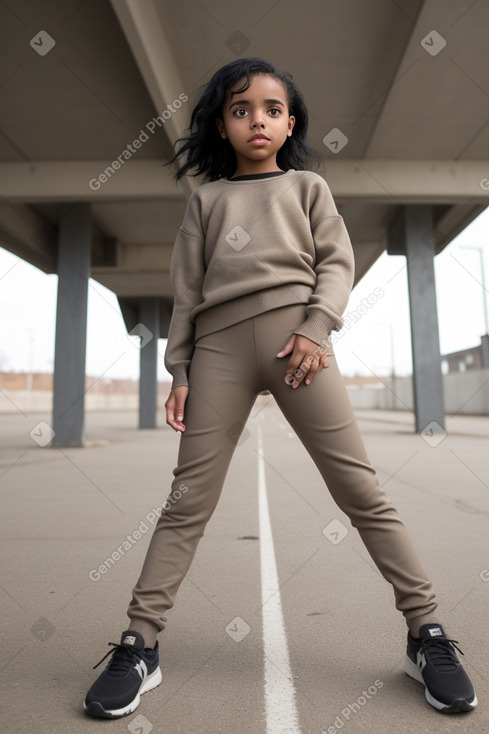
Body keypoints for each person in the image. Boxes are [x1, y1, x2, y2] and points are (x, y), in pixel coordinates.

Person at [83, 57, 477, 719]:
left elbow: (335, 263)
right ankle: (138, 643)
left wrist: (316, 329)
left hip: (300, 349)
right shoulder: (205, 201)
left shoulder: (307, 189)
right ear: (222, 123)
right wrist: (178, 372)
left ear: (289, 122)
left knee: (360, 489)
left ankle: (426, 633)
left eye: (271, 108)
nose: (256, 120)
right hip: (218, 353)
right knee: (187, 503)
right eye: (240, 109)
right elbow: (184, 293)